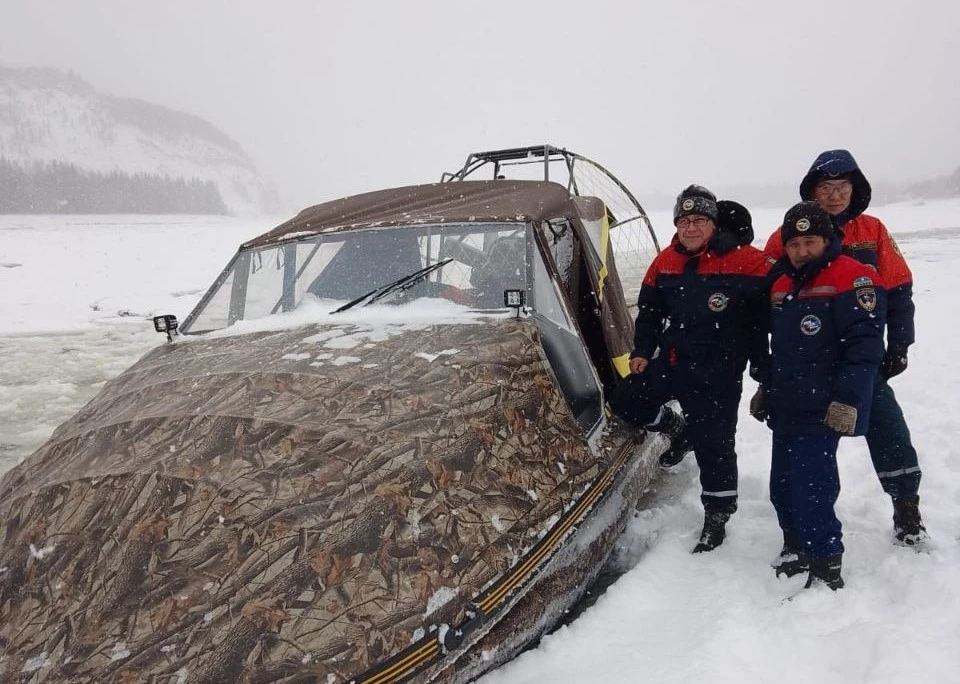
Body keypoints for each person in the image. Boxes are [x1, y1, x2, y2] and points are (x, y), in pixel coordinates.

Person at [761, 149, 926, 546]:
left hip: (858, 358)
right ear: (812, 191)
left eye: (842, 186)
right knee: (804, 453)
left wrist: (900, 343)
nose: (834, 195)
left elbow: (899, 288)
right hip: (807, 365)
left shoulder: (871, 231)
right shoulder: (787, 236)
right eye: (825, 187)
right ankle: (805, 528)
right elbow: (759, 288)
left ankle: (906, 505)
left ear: (855, 189)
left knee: (887, 428)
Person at [610, 185, 771, 553]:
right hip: (672, 363)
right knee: (624, 398)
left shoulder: (747, 262)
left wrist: (765, 370)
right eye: (684, 221)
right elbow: (649, 311)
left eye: (699, 220)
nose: (691, 228)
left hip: (718, 374)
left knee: (715, 446)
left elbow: (777, 306)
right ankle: (674, 428)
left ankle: (718, 514)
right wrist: (641, 350)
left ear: (713, 223)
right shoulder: (665, 261)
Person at [760, 201, 886, 590]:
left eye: (810, 242)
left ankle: (826, 562)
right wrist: (767, 390)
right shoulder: (782, 284)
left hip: (824, 405)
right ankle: (795, 545)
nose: (801, 251)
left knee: (812, 485)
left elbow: (864, 349)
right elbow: (780, 349)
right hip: (787, 404)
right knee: (781, 484)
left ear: (828, 239)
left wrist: (848, 400)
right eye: (793, 244)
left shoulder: (854, 277)